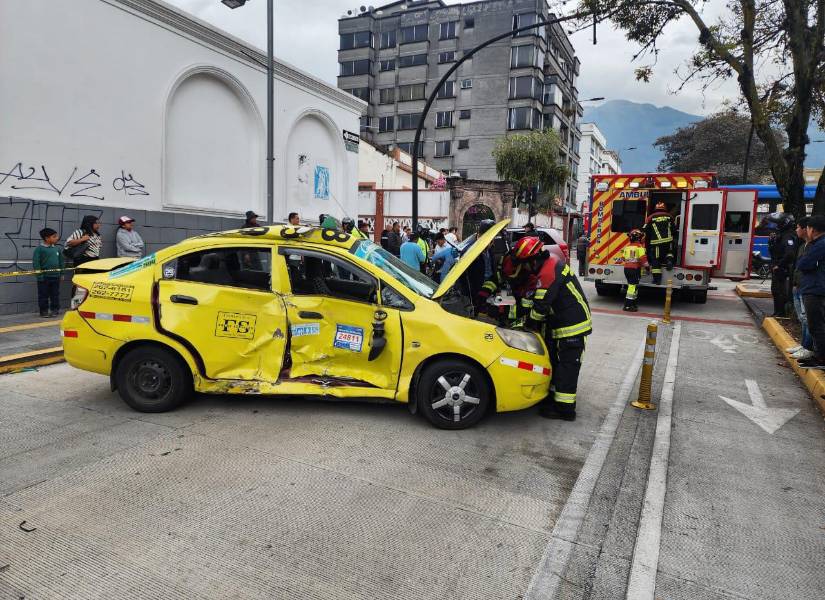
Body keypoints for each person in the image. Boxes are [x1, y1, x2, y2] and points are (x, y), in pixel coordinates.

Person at [512, 236, 592, 420]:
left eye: (525, 263)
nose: (524, 268)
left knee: (567, 367)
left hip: (573, 326)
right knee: (557, 363)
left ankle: (565, 409)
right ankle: (555, 399)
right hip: (562, 323)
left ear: (533, 259)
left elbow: (540, 308)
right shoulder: (549, 263)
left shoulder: (548, 270)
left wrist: (527, 326)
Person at [795, 215, 825, 369]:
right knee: (816, 324)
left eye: (807, 228)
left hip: (815, 288)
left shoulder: (819, 244)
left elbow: (803, 263)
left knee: (815, 325)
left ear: (812, 229)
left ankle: (821, 358)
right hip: (815, 287)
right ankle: (818, 355)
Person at [788, 218, 815, 360]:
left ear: (807, 229)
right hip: (798, 286)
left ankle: (808, 347)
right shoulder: (802, 245)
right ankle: (803, 344)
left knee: (807, 319)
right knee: (802, 318)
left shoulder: (813, 247)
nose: (796, 230)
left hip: (807, 287)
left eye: (798, 227)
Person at [766, 212, 797, 317]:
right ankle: (777, 312)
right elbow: (775, 253)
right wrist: (771, 243)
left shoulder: (788, 236)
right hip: (777, 267)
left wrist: (779, 265)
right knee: (775, 290)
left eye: (777, 224)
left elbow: (790, 254)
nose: (775, 227)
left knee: (780, 291)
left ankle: (781, 313)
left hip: (782, 269)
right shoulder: (781, 235)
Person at [32, 227, 64, 317]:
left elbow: (61, 261)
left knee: (55, 294)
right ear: (47, 238)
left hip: (56, 276)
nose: (56, 238)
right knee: (43, 295)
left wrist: (62, 273)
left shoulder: (57, 249)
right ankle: (44, 311)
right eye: (54, 236)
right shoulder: (39, 249)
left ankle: (55, 310)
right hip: (44, 277)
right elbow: (36, 263)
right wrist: (39, 276)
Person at [643, 201, 677, 285]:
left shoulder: (651, 217)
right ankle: (669, 261)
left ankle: (657, 280)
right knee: (669, 252)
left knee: (655, 260)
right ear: (664, 208)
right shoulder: (669, 217)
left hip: (656, 243)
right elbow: (674, 229)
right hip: (669, 241)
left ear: (655, 208)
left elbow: (645, 230)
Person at [621, 229, 648, 312]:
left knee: (634, 286)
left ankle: (633, 304)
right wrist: (647, 267)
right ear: (639, 238)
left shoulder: (627, 247)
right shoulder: (639, 247)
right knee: (632, 287)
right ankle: (627, 306)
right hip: (634, 269)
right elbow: (643, 258)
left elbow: (623, 258)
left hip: (627, 269)